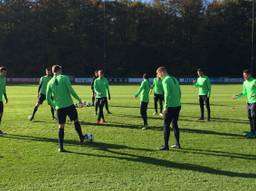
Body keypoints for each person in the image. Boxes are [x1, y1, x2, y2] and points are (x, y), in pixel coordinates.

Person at [46, 65, 86, 152]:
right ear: (60, 70)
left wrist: (55, 106)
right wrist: (79, 100)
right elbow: (71, 90)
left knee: (61, 127)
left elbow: (48, 99)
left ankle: (61, 147)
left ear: (53, 71)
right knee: (75, 121)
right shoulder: (64, 78)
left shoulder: (49, 83)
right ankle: (81, 138)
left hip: (59, 108)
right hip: (69, 106)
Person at [156, 66, 181, 150]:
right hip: (177, 105)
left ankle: (166, 146)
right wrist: (178, 101)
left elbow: (166, 94)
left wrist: (165, 106)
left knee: (166, 125)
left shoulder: (165, 80)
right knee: (175, 125)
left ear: (162, 72)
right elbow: (179, 91)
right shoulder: (174, 78)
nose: (157, 75)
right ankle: (178, 144)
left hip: (170, 106)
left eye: (158, 73)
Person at [233, 69, 256, 138]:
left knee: (253, 116)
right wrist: (237, 96)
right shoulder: (245, 82)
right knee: (249, 117)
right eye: (243, 76)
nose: (244, 77)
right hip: (248, 102)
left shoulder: (254, 81)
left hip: (254, 102)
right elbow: (244, 93)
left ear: (249, 74)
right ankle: (252, 131)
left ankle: (255, 132)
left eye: (245, 75)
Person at [0, 67, 8, 135]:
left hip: (0, 100)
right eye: (4, 72)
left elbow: (4, 89)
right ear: (0, 72)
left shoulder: (4, 79)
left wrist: (6, 97)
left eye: (5, 72)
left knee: (1, 114)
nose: (5, 73)